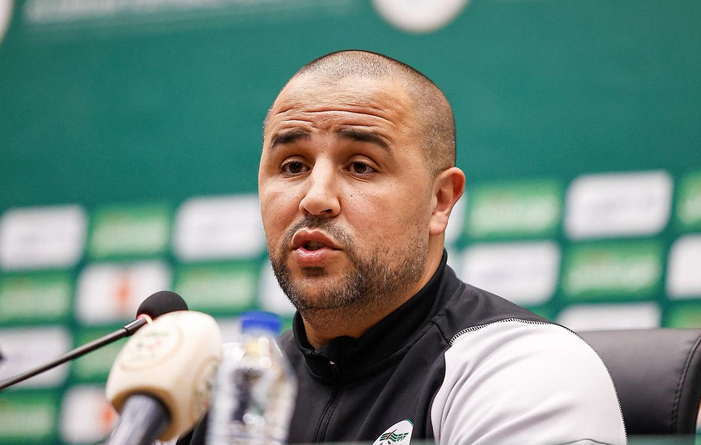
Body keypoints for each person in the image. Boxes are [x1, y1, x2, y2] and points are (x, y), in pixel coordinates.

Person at [185, 50, 626, 445]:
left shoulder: (522, 368)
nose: (315, 198)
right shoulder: (229, 392)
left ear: (440, 201)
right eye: (293, 165)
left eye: (361, 166)